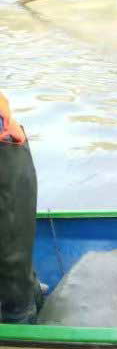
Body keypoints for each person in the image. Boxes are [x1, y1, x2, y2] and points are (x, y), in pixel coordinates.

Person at [0, 92, 44, 323]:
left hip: (6, 155)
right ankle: (30, 294)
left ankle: (19, 314)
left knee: (14, 298)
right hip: (13, 149)